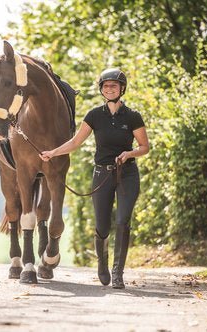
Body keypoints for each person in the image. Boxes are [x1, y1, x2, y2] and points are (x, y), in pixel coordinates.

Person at [39, 68, 149, 289]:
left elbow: (144, 147)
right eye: (106, 86)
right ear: (101, 89)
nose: (110, 89)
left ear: (122, 89)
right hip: (102, 174)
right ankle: (103, 265)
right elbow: (75, 143)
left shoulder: (133, 116)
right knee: (102, 226)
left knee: (123, 222)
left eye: (114, 86)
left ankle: (118, 272)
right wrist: (53, 153)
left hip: (127, 174)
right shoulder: (94, 115)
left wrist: (129, 153)